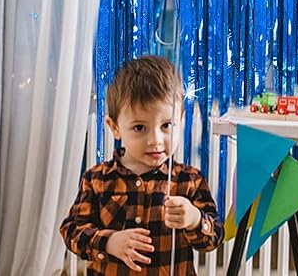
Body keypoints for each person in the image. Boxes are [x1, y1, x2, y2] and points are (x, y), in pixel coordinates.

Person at [60, 55, 223, 274]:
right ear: (114, 127)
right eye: (139, 128)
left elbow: (214, 237)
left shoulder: (190, 180)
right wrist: (108, 242)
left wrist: (194, 219)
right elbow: (72, 230)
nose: (155, 140)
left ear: (181, 119)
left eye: (167, 125)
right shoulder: (97, 179)